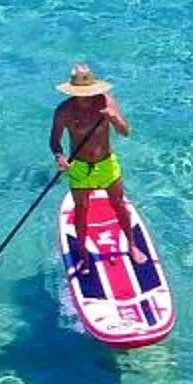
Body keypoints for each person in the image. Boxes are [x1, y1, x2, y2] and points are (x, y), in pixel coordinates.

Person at [49, 63, 137, 270]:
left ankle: (132, 245)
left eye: (88, 92)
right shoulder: (64, 111)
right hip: (79, 166)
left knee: (119, 204)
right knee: (81, 209)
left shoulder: (106, 101)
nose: (85, 97)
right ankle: (83, 253)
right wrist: (60, 157)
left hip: (106, 163)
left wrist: (114, 118)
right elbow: (54, 140)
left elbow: (125, 131)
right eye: (80, 93)